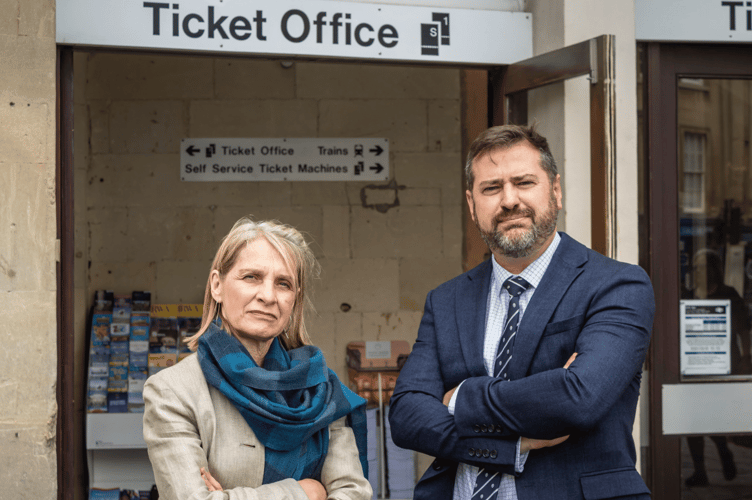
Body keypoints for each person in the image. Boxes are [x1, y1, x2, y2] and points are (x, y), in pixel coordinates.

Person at [388, 125, 656, 500]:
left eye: (524, 182)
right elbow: (406, 417)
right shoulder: (446, 300)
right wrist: (509, 446)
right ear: (471, 203)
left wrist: (459, 398)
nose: (509, 200)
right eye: (492, 188)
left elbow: (577, 399)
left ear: (556, 190)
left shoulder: (617, 286)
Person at [143, 217, 372, 500]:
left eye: (284, 284)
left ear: (294, 300)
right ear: (217, 286)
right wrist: (305, 492)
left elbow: (353, 493)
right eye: (251, 277)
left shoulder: (319, 391)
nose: (268, 296)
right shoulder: (173, 391)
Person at [683, 249, 750, 487]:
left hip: (722, 366)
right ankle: (700, 471)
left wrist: (745, 358)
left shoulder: (729, 295)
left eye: (704, 266)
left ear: (714, 269)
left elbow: (743, 330)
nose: (699, 271)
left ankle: (723, 451)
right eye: (697, 267)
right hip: (693, 366)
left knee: (713, 416)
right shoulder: (689, 297)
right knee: (692, 422)